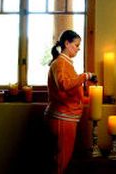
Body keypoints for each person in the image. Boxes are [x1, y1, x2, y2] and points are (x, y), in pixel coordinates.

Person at [44, 30, 95, 173]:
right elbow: (64, 84)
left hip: (65, 117)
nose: (78, 48)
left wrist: (94, 97)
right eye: (76, 45)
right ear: (67, 43)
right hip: (62, 118)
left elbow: (73, 93)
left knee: (61, 159)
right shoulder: (60, 63)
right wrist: (85, 75)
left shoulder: (66, 64)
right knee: (61, 161)